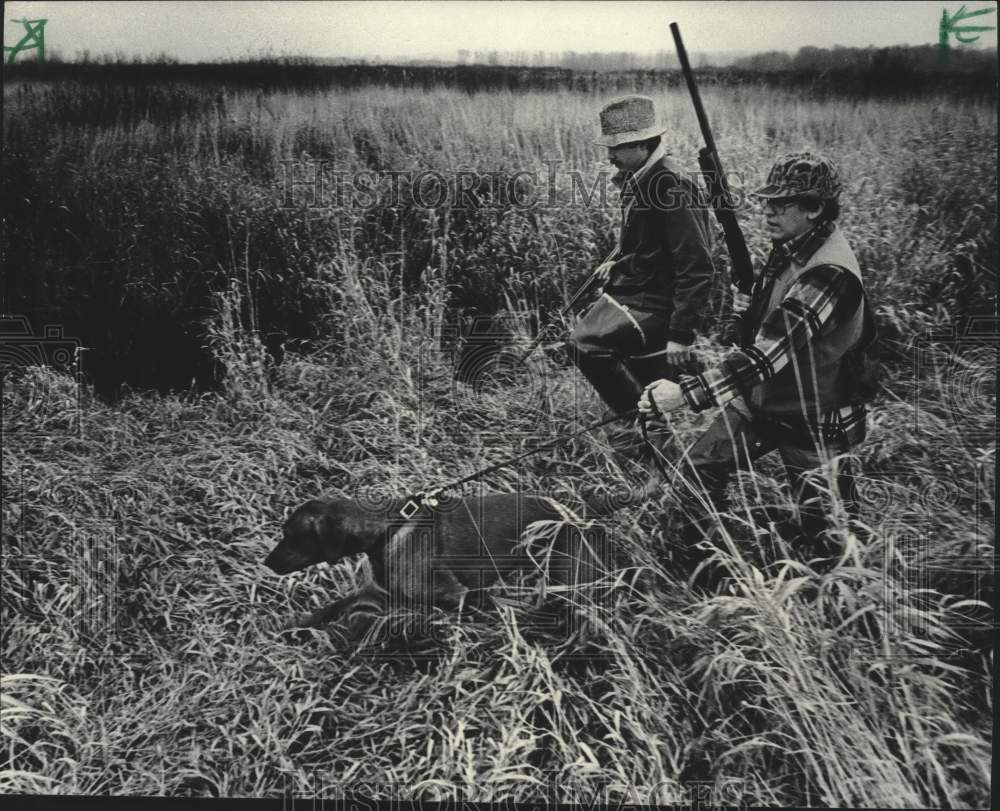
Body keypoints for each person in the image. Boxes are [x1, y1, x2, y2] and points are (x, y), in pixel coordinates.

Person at [639, 152, 869, 573]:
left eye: (781, 203)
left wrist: (685, 393)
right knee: (697, 472)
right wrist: (745, 310)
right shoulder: (793, 247)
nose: (767, 210)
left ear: (815, 208)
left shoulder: (828, 273)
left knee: (829, 536)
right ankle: (705, 573)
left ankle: (838, 609)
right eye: (767, 200)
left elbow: (766, 355)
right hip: (763, 399)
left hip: (814, 415)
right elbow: (761, 329)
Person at [567, 95, 715, 418]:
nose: (609, 157)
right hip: (641, 292)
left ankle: (639, 427)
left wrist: (681, 335)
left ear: (643, 144)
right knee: (633, 366)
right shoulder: (642, 177)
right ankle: (656, 421)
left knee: (585, 344)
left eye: (615, 148)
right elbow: (649, 243)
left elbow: (698, 266)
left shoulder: (670, 185)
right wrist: (618, 262)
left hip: (658, 303)